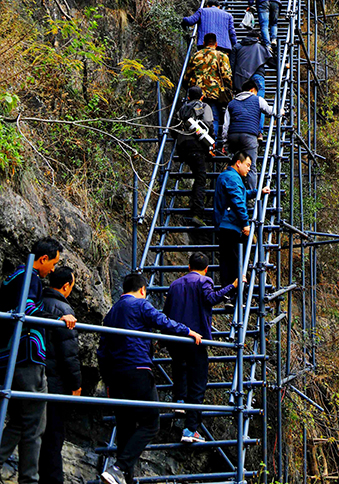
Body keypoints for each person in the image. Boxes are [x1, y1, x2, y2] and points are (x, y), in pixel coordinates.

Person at [98, 273, 202, 484]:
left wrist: (108, 378)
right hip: (137, 368)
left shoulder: (112, 313)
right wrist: (188, 330)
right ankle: (118, 469)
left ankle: (123, 476)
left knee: (125, 427)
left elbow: (102, 350)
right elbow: (162, 321)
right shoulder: (140, 305)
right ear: (143, 290)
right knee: (150, 423)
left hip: (116, 375)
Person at [0, 238, 76, 484]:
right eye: (53, 263)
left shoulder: (12, 278)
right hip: (28, 357)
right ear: (43, 259)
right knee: (34, 425)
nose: (53, 269)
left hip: (9, 357)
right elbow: (29, 310)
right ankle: (29, 480)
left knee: (19, 421)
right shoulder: (30, 277)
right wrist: (59, 319)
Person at [163, 252, 238, 444]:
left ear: (188, 267)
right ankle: (190, 430)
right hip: (195, 339)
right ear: (205, 269)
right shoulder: (204, 281)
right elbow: (211, 299)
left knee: (179, 368)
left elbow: (166, 311)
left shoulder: (174, 284)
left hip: (175, 336)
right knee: (197, 383)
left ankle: (179, 401)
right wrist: (233, 286)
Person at [39, 268, 81, 484]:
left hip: (35, 377)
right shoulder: (63, 309)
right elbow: (69, 352)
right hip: (55, 383)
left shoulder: (37, 303)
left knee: (33, 434)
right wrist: (76, 384)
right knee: (54, 437)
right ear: (66, 286)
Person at [214, 152, 270, 286]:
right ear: (238, 163)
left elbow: (242, 194)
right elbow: (238, 201)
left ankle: (229, 293)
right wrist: (245, 223)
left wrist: (259, 192)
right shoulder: (233, 178)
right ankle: (233, 293)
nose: (249, 168)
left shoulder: (228, 176)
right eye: (247, 165)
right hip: (230, 225)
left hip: (225, 223)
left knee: (229, 259)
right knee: (233, 260)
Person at [222, 79, 283, 190]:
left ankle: (233, 192)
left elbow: (226, 126)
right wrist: (281, 111)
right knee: (251, 166)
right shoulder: (257, 99)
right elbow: (270, 111)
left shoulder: (231, 103)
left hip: (233, 136)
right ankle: (251, 198)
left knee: (235, 165)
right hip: (249, 136)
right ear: (252, 90)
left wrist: (225, 143)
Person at [175, 86, 215, 227]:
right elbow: (209, 126)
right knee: (200, 178)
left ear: (189, 97)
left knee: (197, 174)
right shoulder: (204, 107)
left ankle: (193, 207)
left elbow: (175, 127)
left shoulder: (182, 109)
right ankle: (197, 213)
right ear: (202, 96)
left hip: (183, 146)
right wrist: (211, 143)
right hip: (197, 145)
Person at [186, 33, 233, 144]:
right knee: (213, 118)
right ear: (216, 44)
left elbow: (187, 75)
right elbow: (227, 76)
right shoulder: (221, 56)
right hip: (214, 93)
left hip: (196, 93)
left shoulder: (196, 55)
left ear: (203, 43)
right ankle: (212, 143)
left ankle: (197, 143)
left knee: (195, 118)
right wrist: (230, 89)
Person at [230, 33, 276, 135]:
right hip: (257, 76)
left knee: (240, 104)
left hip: (241, 78)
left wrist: (232, 82)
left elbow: (231, 66)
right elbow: (271, 61)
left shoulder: (237, 47)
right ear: (257, 38)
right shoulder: (260, 46)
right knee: (260, 104)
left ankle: (241, 129)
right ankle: (259, 132)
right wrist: (283, 65)